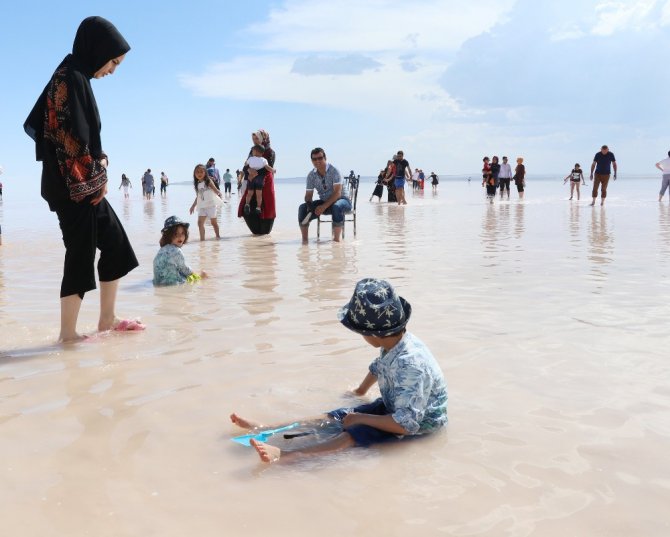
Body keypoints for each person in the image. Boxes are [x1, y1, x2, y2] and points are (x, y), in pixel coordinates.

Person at [230, 277, 448, 464]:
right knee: (336, 416)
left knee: (354, 433)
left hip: (418, 425)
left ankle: (288, 455)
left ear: (372, 334)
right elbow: (378, 369)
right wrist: (359, 392)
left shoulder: (411, 365)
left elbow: (406, 424)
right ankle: (266, 427)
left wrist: (361, 418)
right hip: (396, 407)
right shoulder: (393, 344)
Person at [23, 16, 142, 342]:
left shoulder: (76, 76)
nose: (113, 70)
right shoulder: (70, 77)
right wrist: (96, 178)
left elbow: (80, 139)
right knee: (80, 253)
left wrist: (99, 167)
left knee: (116, 245)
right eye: (113, 61)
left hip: (81, 184)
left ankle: (106, 319)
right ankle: (68, 335)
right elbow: (67, 138)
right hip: (72, 188)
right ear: (98, 49)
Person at [298, 147, 352, 243]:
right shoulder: (311, 175)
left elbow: (337, 193)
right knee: (302, 208)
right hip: (325, 202)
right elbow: (308, 195)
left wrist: (323, 206)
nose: (317, 161)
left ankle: (336, 242)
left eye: (320, 158)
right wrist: (309, 205)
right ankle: (304, 242)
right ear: (311, 161)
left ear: (325, 158)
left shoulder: (334, 171)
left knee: (336, 206)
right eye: (314, 159)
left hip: (343, 200)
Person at [237, 130, 277, 235]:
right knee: (248, 208)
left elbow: (269, 168)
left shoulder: (270, 152)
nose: (255, 141)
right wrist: (247, 171)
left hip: (266, 184)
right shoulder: (252, 151)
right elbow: (246, 165)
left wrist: (254, 172)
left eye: (257, 138)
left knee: (265, 229)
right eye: (253, 139)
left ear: (263, 138)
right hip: (251, 182)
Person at [153, 216, 207, 286]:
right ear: (168, 235)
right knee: (203, 274)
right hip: (174, 283)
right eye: (176, 234)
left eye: (182, 233)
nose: (180, 237)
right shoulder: (176, 251)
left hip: (158, 283)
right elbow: (185, 269)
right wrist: (195, 275)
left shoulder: (162, 249)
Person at [189, 164, 223, 240]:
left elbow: (215, 189)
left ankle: (218, 236)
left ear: (205, 173)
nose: (199, 174)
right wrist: (193, 206)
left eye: (201, 172)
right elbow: (198, 196)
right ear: (194, 174)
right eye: (197, 172)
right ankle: (202, 240)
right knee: (200, 223)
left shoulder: (208, 181)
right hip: (202, 206)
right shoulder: (197, 184)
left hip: (211, 205)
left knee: (213, 223)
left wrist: (219, 193)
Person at [244, 144, 275, 216]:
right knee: (259, 194)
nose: (252, 152)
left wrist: (247, 166)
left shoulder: (250, 159)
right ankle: (258, 207)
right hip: (259, 178)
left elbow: (245, 165)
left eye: (253, 150)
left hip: (251, 178)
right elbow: (267, 167)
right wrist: (273, 170)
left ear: (257, 152)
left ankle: (247, 204)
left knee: (250, 193)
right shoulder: (264, 160)